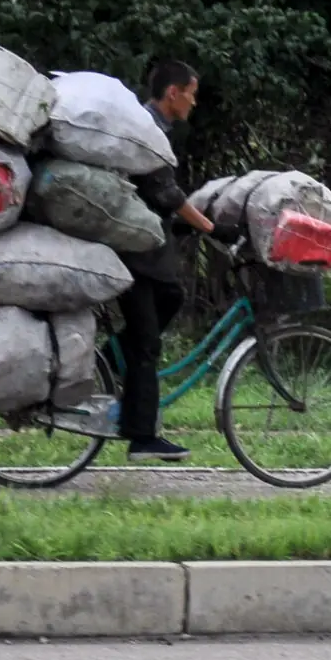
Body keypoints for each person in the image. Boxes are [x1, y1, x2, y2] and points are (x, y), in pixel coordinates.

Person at [118, 60, 214, 461]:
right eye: (191, 93)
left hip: (142, 244)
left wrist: (180, 226)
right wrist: (207, 225)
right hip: (130, 249)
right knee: (146, 343)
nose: (193, 102)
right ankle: (142, 437)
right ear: (173, 93)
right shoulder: (148, 129)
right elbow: (165, 191)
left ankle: (108, 364)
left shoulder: (152, 127)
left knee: (171, 296)